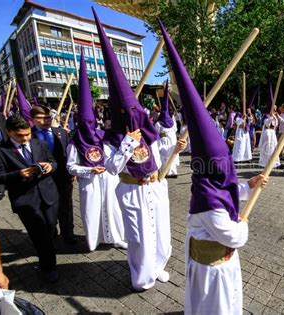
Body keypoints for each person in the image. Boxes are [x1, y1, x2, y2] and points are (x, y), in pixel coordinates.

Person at [158, 19, 269, 314]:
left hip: (222, 261)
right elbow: (232, 236)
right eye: (224, 165)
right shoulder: (208, 201)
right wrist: (243, 224)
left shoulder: (210, 183)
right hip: (213, 266)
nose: (228, 170)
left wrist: (250, 185)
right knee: (215, 307)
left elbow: (229, 191)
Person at [93, 8, 186, 291]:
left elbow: (159, 157)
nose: (135, 118)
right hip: (130, 189)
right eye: (128, 113)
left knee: (161, 234)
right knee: (140, 236)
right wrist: (128, 142)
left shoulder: (149, 131)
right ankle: (140, 275)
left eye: (137, 112)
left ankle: (158, 266)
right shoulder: (111, 137)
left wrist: (177, 148)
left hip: (155, 187)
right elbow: (111, 167)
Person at [66, 51, 126, 252]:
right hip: (90, 183)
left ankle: (116, 237)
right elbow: (71, 166)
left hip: (109, 180)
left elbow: (113, 155)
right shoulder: (75, 142)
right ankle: (94, 240)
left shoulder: (104, 137)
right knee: (92, 212)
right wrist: (89, 171)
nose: (90, 127)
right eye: (86, 123)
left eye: (92, 122)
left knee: (113, 209)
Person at [0, 114, 59, 283]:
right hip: (26, 200)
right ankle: (48, 267)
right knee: (40, 235)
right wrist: (18, 174)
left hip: (48, 194)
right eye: (20, 136)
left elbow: (53, 161)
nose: (25, 138)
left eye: (27, 134)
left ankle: (48, 251)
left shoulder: (39, 143)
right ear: (9, 132)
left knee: (50, 228)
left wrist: (50, 166)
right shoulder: (1, 151)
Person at [30, 106, 76, 244]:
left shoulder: (61, 132)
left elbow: (68, 154)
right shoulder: (30, 135)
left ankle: (68, 233)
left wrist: (72, 171)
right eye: (41, 118)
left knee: (66, 206)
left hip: (63, 176)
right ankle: (51, 233)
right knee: (47, 207)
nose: (46, 120)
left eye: (48, 117)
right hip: (43, 178)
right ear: (33, 119)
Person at [155, 82, 180, 178]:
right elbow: (175, 129)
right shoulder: (172, 121)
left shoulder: (158, 123)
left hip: (163, 141)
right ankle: (172, 171)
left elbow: (157, 132)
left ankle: (166, 171)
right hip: (171, 139)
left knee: (164, 156)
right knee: (170, 155)